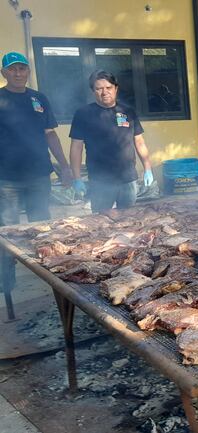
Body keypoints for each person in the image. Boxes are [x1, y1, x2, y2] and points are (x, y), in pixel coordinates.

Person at [0, 51, 73, 304]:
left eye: (22, 69)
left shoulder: (38, 98)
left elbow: (50, 134)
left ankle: (46, 275)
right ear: (4, 73)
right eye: (12, 69)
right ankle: (6, 282)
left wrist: (64, 166)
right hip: (6, 178)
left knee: (41, 228)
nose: (18, 73)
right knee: (8, 231)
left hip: (39, 174)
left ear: (28, 72)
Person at [69, 70, 153, 213]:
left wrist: (148, 168)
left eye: (108, 87)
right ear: (92, 91)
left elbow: (139, 142)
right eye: (99, 88)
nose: (104, 92)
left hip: (128, 179)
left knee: (130, 220)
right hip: (100, 182)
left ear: (116, 88)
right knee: (101, 222)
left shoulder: (128, 111)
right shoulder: (83, 114)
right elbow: (76, 148)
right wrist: (77, 178)